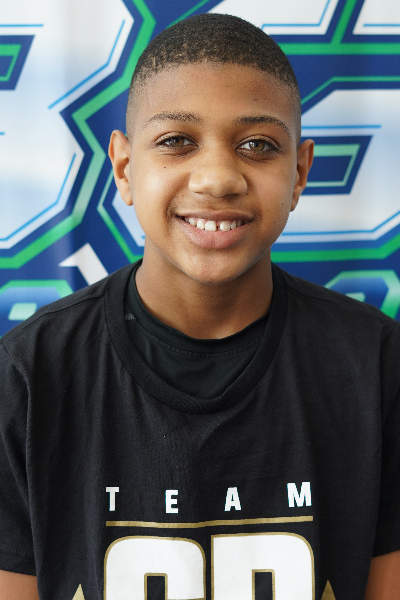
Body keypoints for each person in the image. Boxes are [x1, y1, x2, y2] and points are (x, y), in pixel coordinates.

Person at [0, 13, 399, 600]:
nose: (216, 178)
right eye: (176, 141)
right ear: (125, 168)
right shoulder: (27, 375)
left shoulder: (377, 366)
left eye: (257, 145)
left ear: (299, 172)